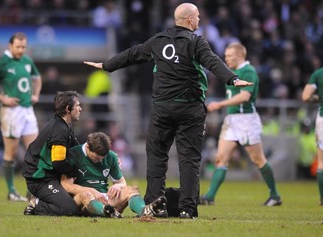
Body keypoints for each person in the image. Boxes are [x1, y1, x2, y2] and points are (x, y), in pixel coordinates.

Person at [83, 3, 252, 218]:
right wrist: (232, 78)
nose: (199, 20)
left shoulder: (159, 40)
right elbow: (212, 61)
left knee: (156, 157)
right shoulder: (196, 41)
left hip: (162, 108)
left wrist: (107, 65)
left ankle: (155, 206)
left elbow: (133, 54)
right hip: (190, 108)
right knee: (189, 159)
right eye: (197, 17)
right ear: (190, 20)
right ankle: (187, 210)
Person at [199, 42, 282, 206]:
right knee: (221, 158)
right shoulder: (232, 72)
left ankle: (275, 195)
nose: (226, 59)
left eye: (229, 56)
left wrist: (220, 104)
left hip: (246, 120)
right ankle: (209, 197)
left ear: (240, 56)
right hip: (232, 120)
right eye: (226, 56)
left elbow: (244, 96)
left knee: (258, 160)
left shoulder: (248, 71)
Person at [0, 32, 42, 202]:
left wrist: (35, 94)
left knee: (35, 152)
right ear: (10, 46)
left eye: (23, 47)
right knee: (12, 153)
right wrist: (2, 98)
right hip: (11, 112)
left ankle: (33, 191)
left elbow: (37, 78)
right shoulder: (2, 62)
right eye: (18, 47)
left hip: (28, 110)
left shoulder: (27, 61)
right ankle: (11, 191)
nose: (21, 50)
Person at [61, 132, 167, 218]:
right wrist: (92, 191)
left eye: (102, 158)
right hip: (83, 199)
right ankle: (105, 211)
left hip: (105, 198)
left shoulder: (111, 156)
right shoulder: (74, 154)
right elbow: (66, 185)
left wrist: (117, 186)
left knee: (131, 189)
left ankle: (144, 211)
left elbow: (121, 182)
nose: (99, 161)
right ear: (88, 147)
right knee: (86, 194)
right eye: (96, 158)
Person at [22, 90, 82, 216]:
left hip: (49, 176)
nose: (80, 109)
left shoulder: (64, 126)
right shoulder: (59, 130)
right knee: (70, 210)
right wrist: (75, 172)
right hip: (40, 180)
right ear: (67, 109)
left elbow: (77, 150)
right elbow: (58, 162)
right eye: (77, 106)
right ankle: (37, 204)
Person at [302, 67, 323, 206]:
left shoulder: (318, 73)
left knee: (321, 161)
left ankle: (322, 198)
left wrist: (318, 97)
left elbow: (305, 96)